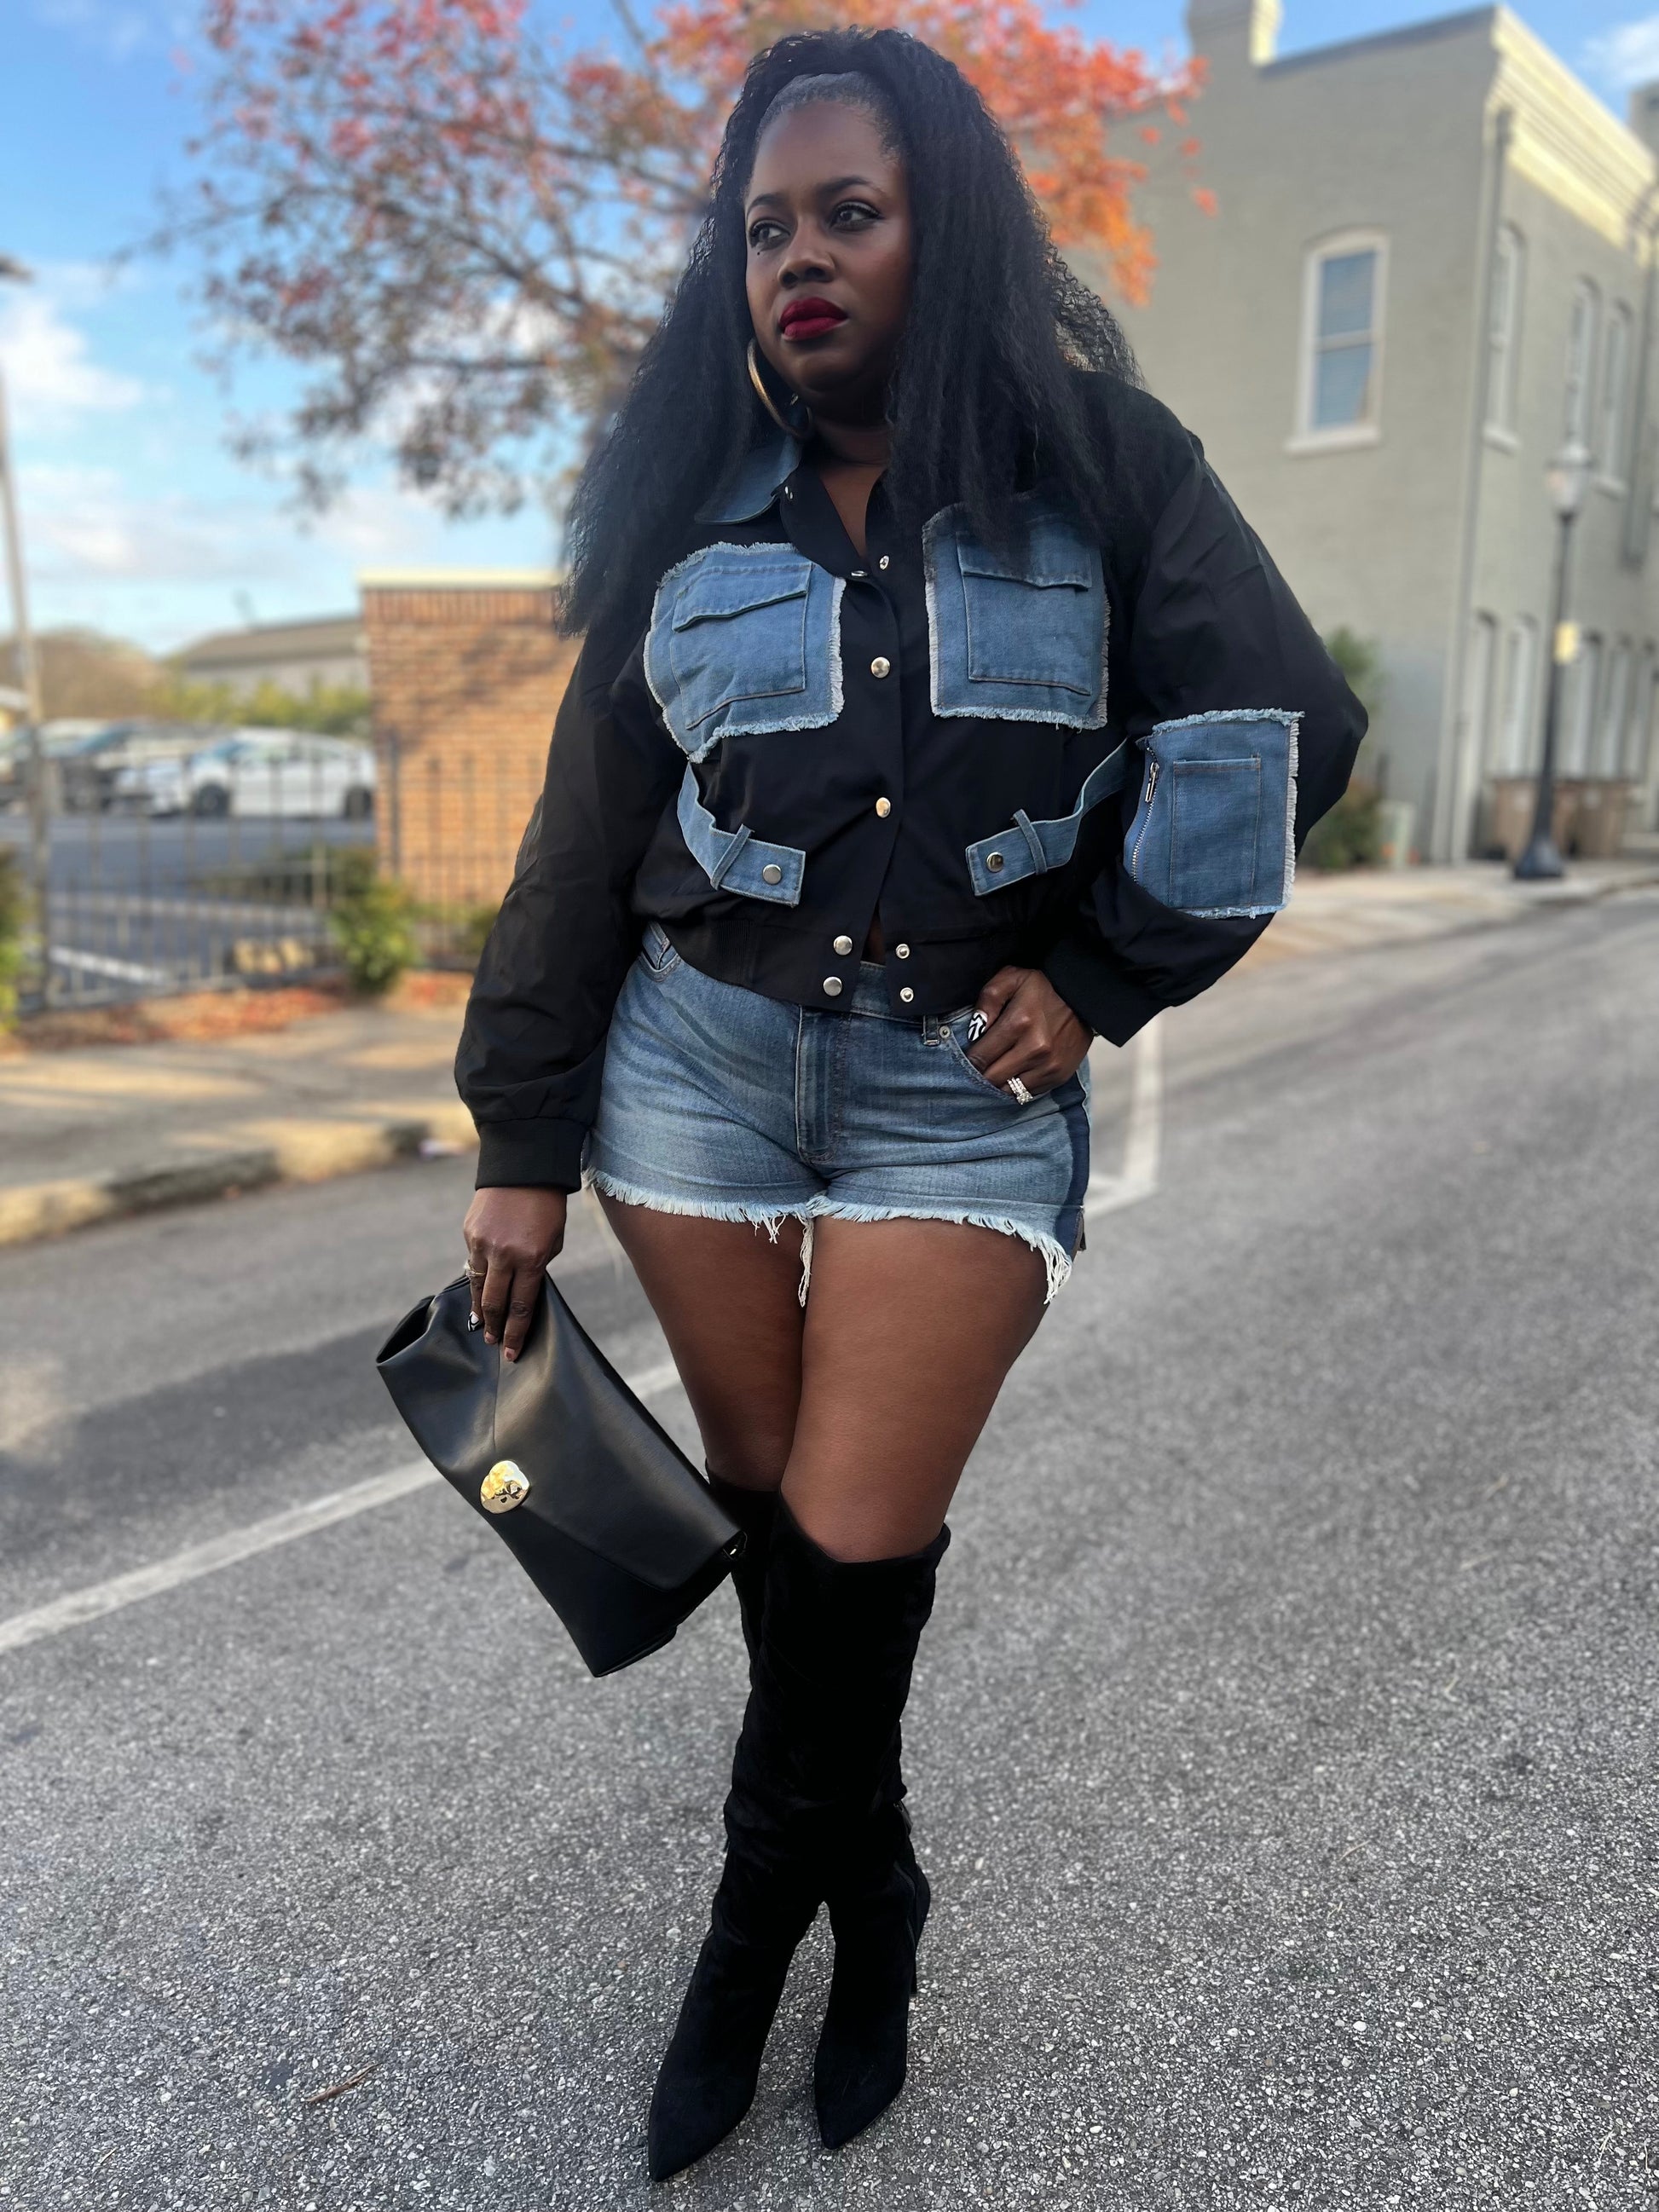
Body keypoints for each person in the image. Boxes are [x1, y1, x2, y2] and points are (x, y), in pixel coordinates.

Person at [456, 26, 1364, 2181]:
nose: (798, 256)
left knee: (854, 1540)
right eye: (764, 225)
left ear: (938, 230)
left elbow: (1278, 723)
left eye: (846, 213)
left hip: (956, 1094)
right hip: (693, 1071)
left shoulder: (1105, 467)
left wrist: (1108, 970)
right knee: (781, 1530)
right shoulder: (686, 507)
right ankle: (871, 1884)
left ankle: (755, 1934)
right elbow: (585, 834)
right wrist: (518, 1145)